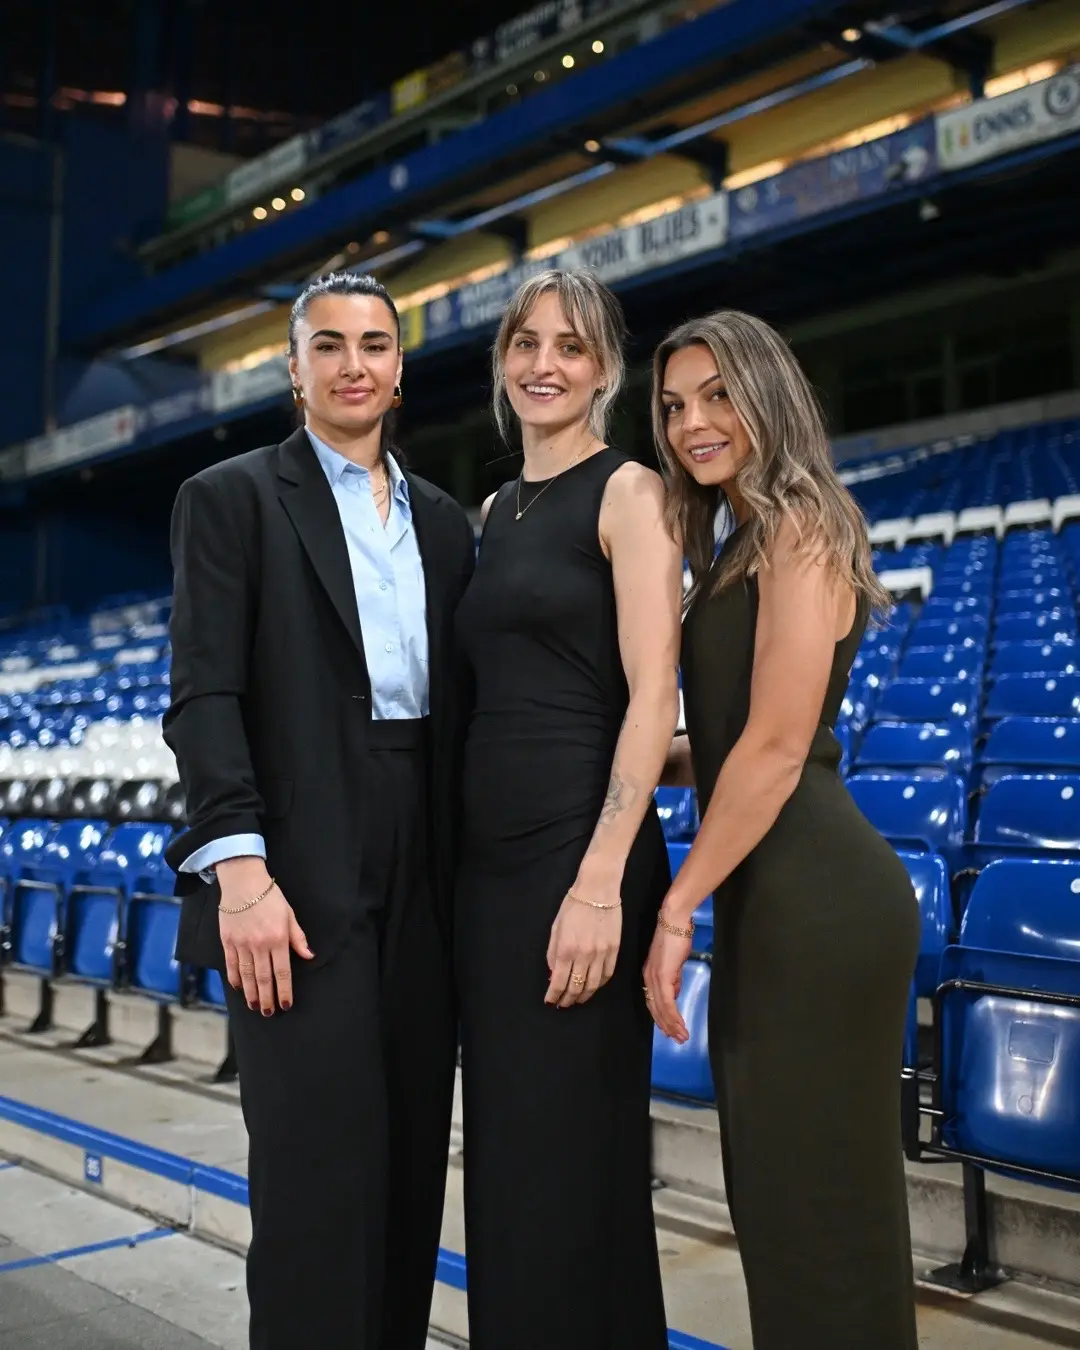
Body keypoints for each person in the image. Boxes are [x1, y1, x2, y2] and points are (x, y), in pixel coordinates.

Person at [162, 271, 476, 1350]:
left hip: (423, 864)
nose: (355, 365)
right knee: (312, 1182)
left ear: (400, 369)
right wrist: (238, 873)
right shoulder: (231, 497)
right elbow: (204, 694)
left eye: (375, 345)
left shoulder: (444, 522)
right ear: (294, 372)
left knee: (402, 1177)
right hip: (293, 871)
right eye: (330, 345)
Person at [644, 309, 919, 1349]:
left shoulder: (805, 518)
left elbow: (773, 750)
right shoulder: (735, 540)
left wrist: (677, 906)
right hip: (770, 897)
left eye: (718, 395)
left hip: (817, 897)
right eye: (673, 406)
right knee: (780, 1207)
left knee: (823, 1214)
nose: (693, 423)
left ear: (768, 394)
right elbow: (719, 748)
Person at [454, 268, 682, 1350]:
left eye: (571, 346)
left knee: (571, 1157)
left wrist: (600, 882)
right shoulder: (495, 511)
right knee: (505, 1154)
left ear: (604, 369)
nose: (545, 364)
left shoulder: (630, 491)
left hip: (580, 860)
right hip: (491, 875)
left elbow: (653, 699)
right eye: (526, 343)